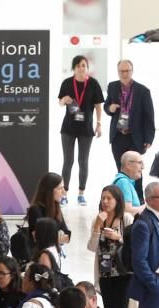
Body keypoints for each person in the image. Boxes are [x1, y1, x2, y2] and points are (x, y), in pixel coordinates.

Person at [105, 60, 155, 202]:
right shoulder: (113, 86)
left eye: (127, 71)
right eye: (122, 71)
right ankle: (123, 201)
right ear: (118, 72)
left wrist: (149, 139)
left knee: (136, 172)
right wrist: (110, 108)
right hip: (118, 136)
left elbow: (149, 116)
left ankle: (139, 202)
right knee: (121, 171)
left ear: (132, 71)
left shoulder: (142, 91)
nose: (124, 74)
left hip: (135, 137)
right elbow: (107, 106)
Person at [58, 55, 105, 205]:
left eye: (84, 65)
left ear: (87, 68)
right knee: (68, 161)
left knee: (83, 161)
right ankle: (64, 193)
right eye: (78, 65)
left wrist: (99, 123)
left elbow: (98, 105)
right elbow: (60, 102)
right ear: (74, 68)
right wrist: (63, 100)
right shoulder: (67, 83)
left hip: (86, 129)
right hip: (68, 128)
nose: (81, 68)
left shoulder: (93, 84)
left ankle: (81, 193)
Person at [86, 186, 133, 308]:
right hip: (105, 273)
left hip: (123, 273)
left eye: (109, 198)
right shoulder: (97, 220)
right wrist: (97, 226)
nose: (105, 201)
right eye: (103, 198)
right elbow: (92, 247)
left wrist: (118, 237)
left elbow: (134, 244)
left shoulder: (126, 219)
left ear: (117, 200)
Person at [25, 174, 71, 262]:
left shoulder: (56, 207)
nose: (64, 192)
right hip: (40, 259)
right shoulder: (35, 210)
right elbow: (40, 240)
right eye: (60, 188)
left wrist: (55, 238)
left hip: (54, 257)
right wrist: (58, 237)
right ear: (50, 191)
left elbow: (67, 235)